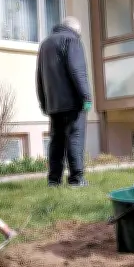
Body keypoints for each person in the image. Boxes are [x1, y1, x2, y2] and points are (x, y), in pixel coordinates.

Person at [36, 16, 92, 187]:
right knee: (75, 137)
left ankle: (53, 180)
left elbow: (39, 76)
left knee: (56, 141)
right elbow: (77, 71)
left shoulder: (45, 44)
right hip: (73, 103)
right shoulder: (72, 40)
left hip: (53, 103)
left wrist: (44, 102)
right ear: (76, 30)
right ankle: (76, 179)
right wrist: (86, 97)